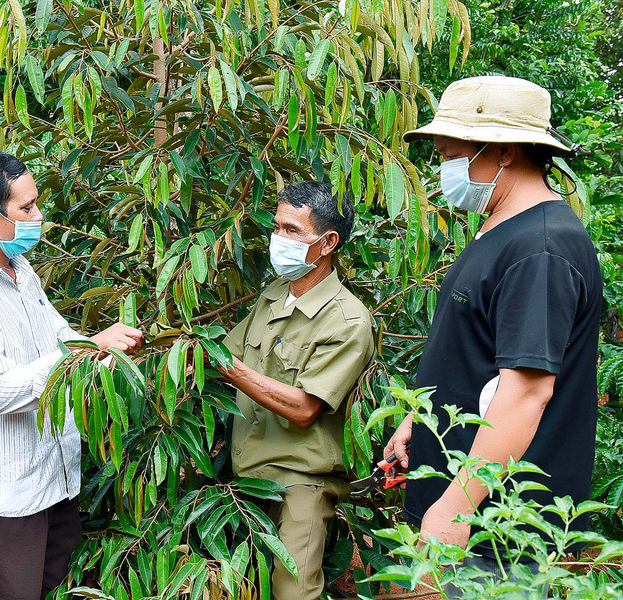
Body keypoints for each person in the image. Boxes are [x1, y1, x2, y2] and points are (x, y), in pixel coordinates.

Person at [385, 76, 601, 576]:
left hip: (500, 525)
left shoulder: (541, 249)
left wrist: (458, 504)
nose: (443, 168)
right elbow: (478, 353)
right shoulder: (502, 230)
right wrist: (418, 422)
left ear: (502, 151)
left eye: (449, 154)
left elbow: (526, 393)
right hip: (471, 501)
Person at [0, 150, 144, 600]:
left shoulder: (21, 271)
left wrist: (108, 352)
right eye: (27, 208)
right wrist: (90, 348)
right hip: (5, 494)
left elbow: (60, 337)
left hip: (51, 478)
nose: (39, 216)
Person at [220, 181, 374, 600]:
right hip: (247, 475)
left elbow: (305, 408)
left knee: (293, 592)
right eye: (276, 227)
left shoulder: (347, 321)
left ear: (327, 243)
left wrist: (231, 369)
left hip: (300, 483)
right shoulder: (273, 296)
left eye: (291, 230)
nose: (278, 240)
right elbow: (222, 355)